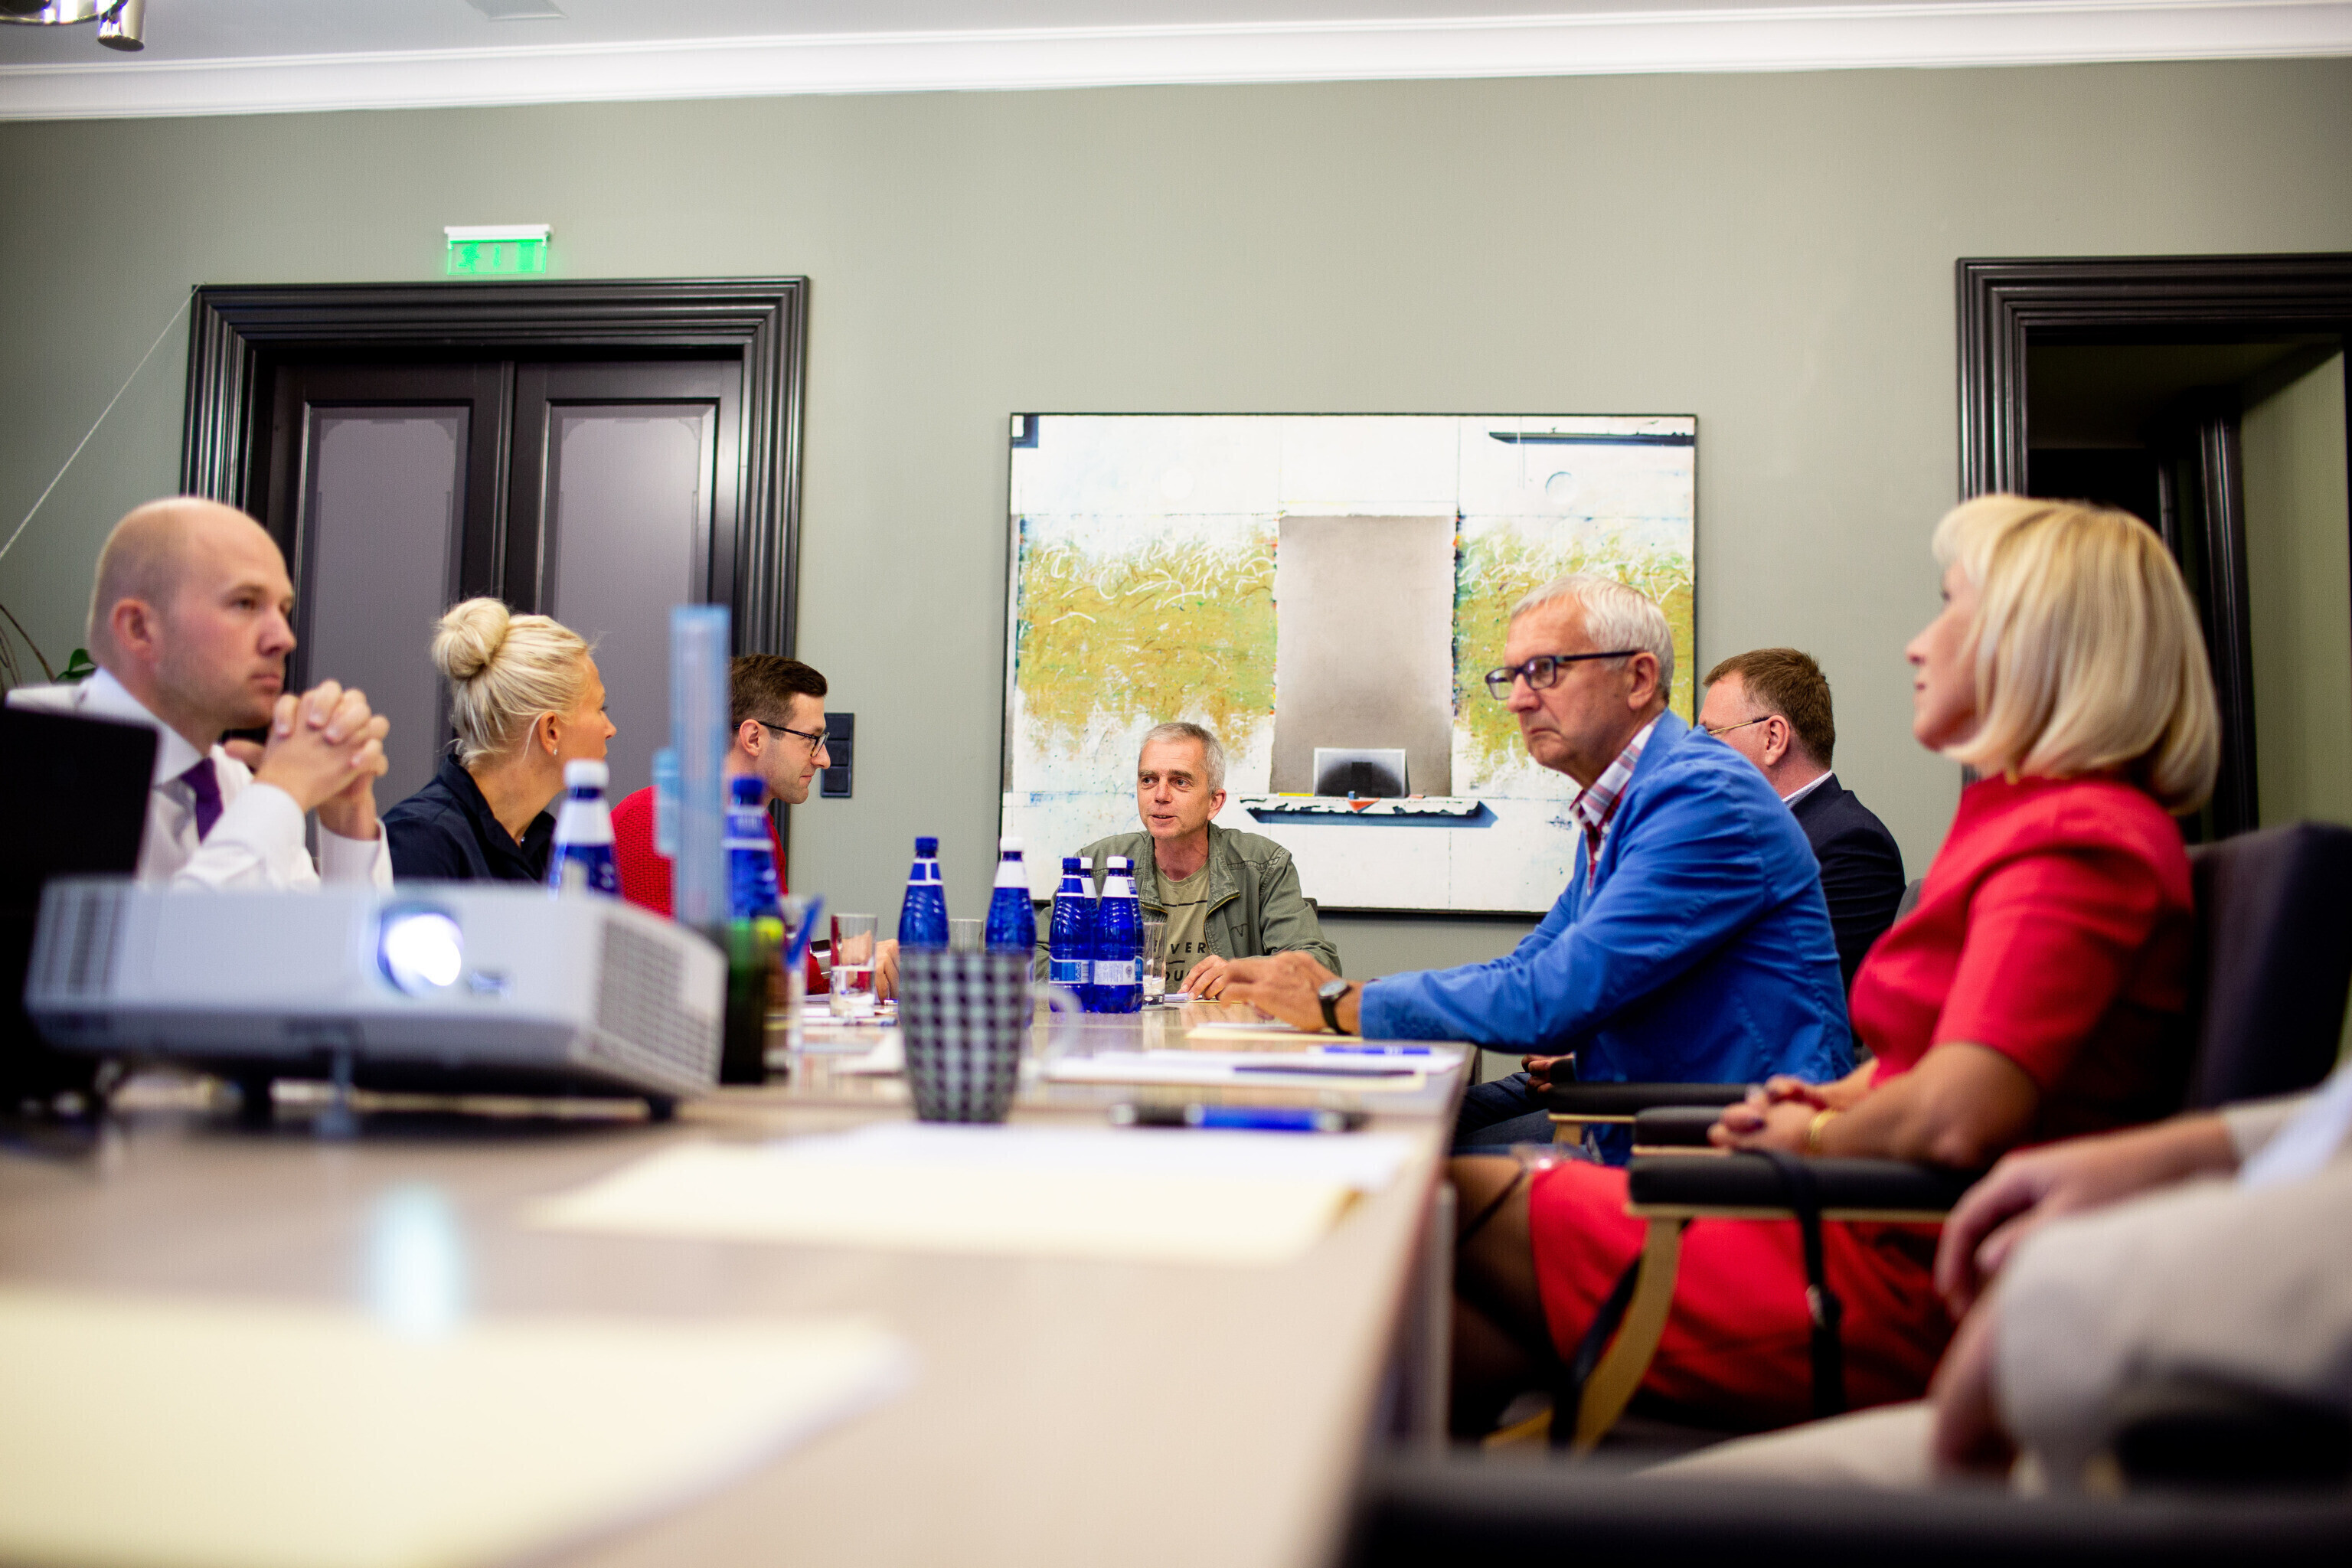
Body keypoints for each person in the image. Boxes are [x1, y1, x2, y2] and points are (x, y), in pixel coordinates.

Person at [1439, 495, 2222, 1438]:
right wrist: (1821, 1101)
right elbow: (1918, 1069)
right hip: (1852, 1217)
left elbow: (1957, 1109)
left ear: (2048, 644)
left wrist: (1809, 1129)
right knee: (1446, 1318)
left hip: (1893, 1269)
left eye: (1953, 608)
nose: (1918, 644)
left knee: (1436, 1198)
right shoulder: (2027, 823)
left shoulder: (2077, 841)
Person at [1219, 573, 1851, 1155]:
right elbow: (1528, 969)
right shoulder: (1628, 800)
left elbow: (1553, 997)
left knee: (1391, 1176)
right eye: (1513, 676)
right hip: (1656, 1129)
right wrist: (1354, 996)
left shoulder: (1701, 798)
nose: (1519, 700)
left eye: (1545, 671)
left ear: (1637, 678)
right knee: (1384, 1141)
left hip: (1732, 1166)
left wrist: (1340, 1001)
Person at [1649, 1067, 2352, 1489]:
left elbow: (1953, 1112)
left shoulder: (2071, 857)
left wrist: (2053, 1291)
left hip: (2164, 1427)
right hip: (2079, 1341)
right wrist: (2190, 1153)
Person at [8, 497, 391, 890]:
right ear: (139, 628)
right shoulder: (22, 757)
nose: (284, 638)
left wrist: (348, 822)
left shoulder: (237, 783)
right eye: (245, 603)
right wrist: (285, 788)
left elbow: (312, 935)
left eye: (283, 609)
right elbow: (159, 931)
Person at [1076, 721, 1337, 997]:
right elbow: (1048, 957)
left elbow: (1319, 966)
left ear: (1214, 802)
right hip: (1125, 1020)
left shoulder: (1264, 865)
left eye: (1180, 782)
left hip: (1226, 1023)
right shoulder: (1097, 866)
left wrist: (1246, 972)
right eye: (1148, 780)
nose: (1160, 796)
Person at [1697, 648, 1905, 994]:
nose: (1696, 753)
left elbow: (1792, 993)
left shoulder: (1852, 846)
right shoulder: (1735, 838)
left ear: (1773, 738)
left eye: (1711, 735)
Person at [381, 599, 613, 881]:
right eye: (600, 709)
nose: (610, 729)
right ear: (551, 731)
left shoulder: (549, 846)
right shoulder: (422, 843)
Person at [609, 653, 828, 916]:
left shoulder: (757, 829)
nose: (824, 759)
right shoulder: (653, 819)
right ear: (754, 738)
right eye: (811, 739)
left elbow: (772, 941)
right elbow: (667, 944)